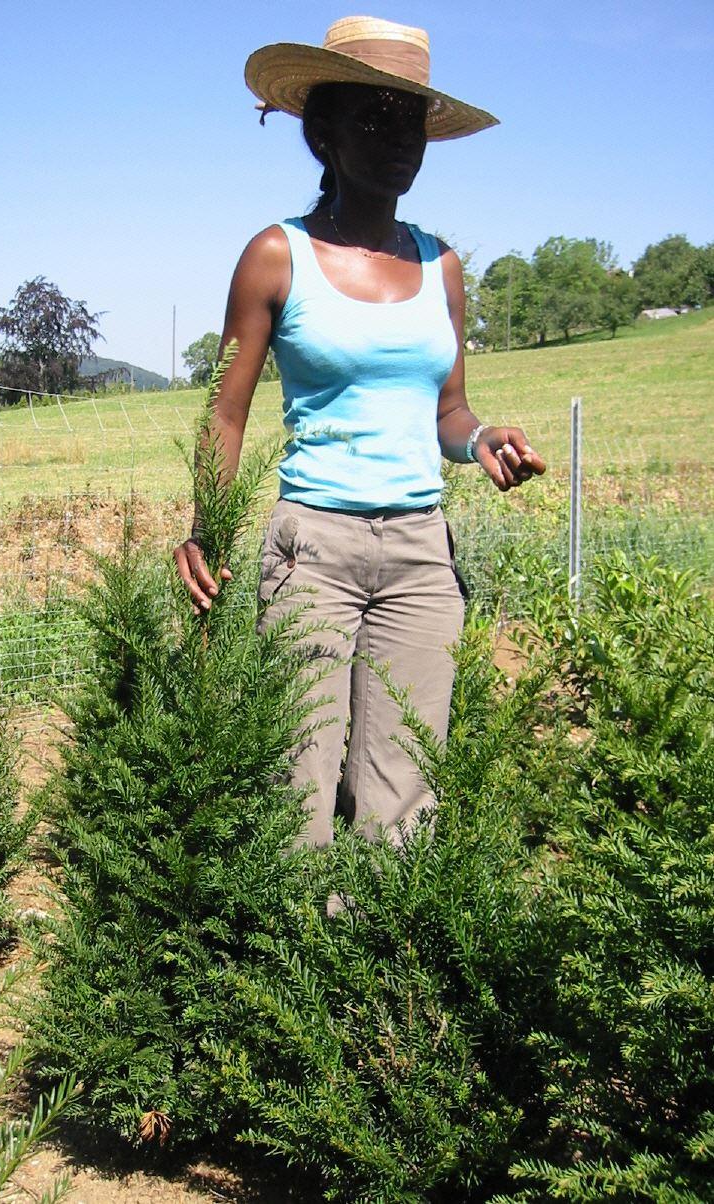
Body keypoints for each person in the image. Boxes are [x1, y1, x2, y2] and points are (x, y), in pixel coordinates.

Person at [174, 16, 546, 847]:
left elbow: (447, 409)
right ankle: (288, 958)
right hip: (311, 550)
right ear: (324, 133)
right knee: (294, 778)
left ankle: (380, 969)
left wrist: (481, 437)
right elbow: (225, 411)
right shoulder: (277, 256)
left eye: (409, 120)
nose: (399, 140)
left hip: (421, 557)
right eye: (374, 118)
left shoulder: (440, 263)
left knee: (406, 784)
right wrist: (206, 525)